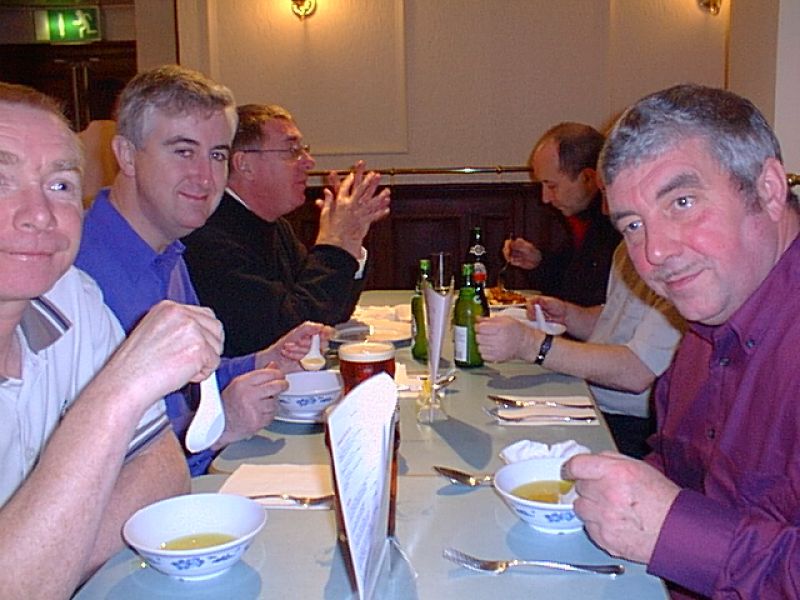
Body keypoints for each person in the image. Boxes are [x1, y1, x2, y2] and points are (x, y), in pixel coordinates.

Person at [563, 84, 800, 599]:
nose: (655, 253)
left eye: (682, 202)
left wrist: (671, 531)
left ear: (769, 188)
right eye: (633, 225)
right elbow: (675, 466)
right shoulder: (703, 329)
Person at [0, 83, 227, 596]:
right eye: (0, 180)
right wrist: (118, 391)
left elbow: (163, 467)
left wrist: (53, 552)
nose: (39, 213)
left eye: (60, 185)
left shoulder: (69, 297)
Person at [75, 65, 328, 476]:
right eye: (182, 151)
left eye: (216, 155)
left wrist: (266, 361)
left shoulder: (170, 251)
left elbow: (192, 384)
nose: (205, 176)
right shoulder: (76, 271)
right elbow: (86, 466)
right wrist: (217, 427)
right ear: (126, 155)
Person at [182, 103, 391, 356]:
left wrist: (350, 241)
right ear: (244, 164)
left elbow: (327, 310)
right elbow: (289, 329)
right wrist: (334, 244)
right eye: (292, 150)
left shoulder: (276, 226)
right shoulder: (209, 238)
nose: (309, 161)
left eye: (303, 150)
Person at [476, 243, 684, 458]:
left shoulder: (676, 263)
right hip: (585, 395)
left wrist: (529, 344)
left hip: (633, 428)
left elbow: (636, 372)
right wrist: (569, 316)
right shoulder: (624, 248)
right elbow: (613, 322)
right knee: (483, 417)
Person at [505, 122, 620, 306]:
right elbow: (567, 285)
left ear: (588, 179)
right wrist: (538, 262)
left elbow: (585, 301)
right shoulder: (580, 215)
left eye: (552, 186)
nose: (545, 198)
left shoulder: (616, 228)